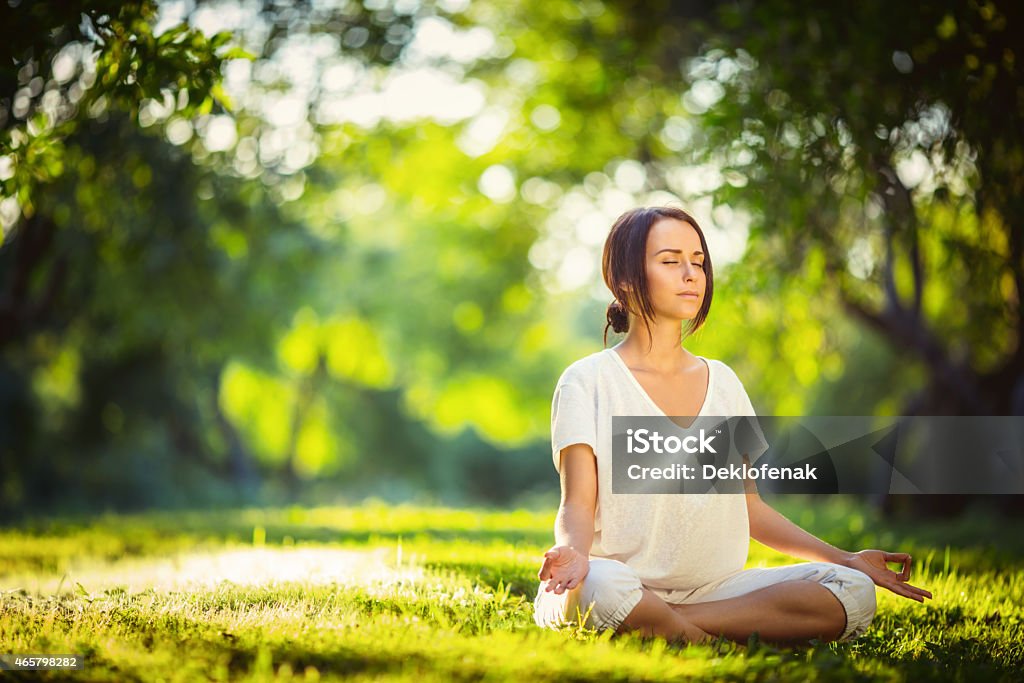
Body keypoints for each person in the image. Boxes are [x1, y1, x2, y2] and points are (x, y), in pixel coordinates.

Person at [533, 206, 932, 645]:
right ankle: (700, 631)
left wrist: (848, 558)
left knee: (851, 591)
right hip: (616, 579)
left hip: (716, 589)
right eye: (670, 261)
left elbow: (748, 507)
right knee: (604, 590)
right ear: (625, 280)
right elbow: (577, 503)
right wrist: (573, 553)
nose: (691, 274)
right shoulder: (587, 380)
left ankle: (667, 621)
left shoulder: (722, 382)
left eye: (699, 262)